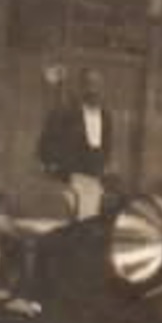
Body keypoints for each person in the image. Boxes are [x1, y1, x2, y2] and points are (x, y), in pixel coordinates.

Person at [37, 67, 113, 218]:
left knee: (91, 216)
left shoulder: (105, 116)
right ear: (81, 87)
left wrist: (104, 164)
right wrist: (53, 164)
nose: (93, 90)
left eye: (97, 85)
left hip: (94, 177)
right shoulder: (67, 112)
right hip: (71, 176)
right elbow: (46, 141)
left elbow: (106, 145)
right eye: (89, 84)